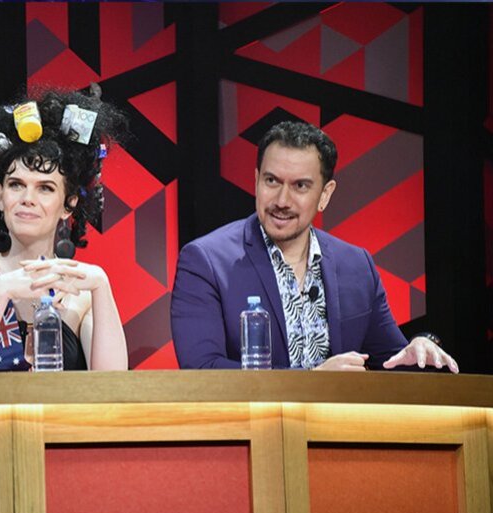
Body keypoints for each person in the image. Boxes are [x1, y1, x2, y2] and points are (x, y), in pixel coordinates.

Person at [170, 121, 458, 372]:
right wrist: (313, 379)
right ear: (256, 180)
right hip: (250, 420)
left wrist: (421, 347)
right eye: (271, 181)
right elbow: (202, 370)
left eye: (300, 186)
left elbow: (391, 362)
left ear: (325, 195)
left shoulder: (356, 265)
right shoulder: (207, 261)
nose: (282, 200)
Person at [0, 87, 129, 372]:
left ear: (68, 204)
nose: (28, 198)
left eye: (45, 188)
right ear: (0, 196)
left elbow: (114, 389)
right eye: (16, 185)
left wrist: (101, 285)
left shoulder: (81, 290)